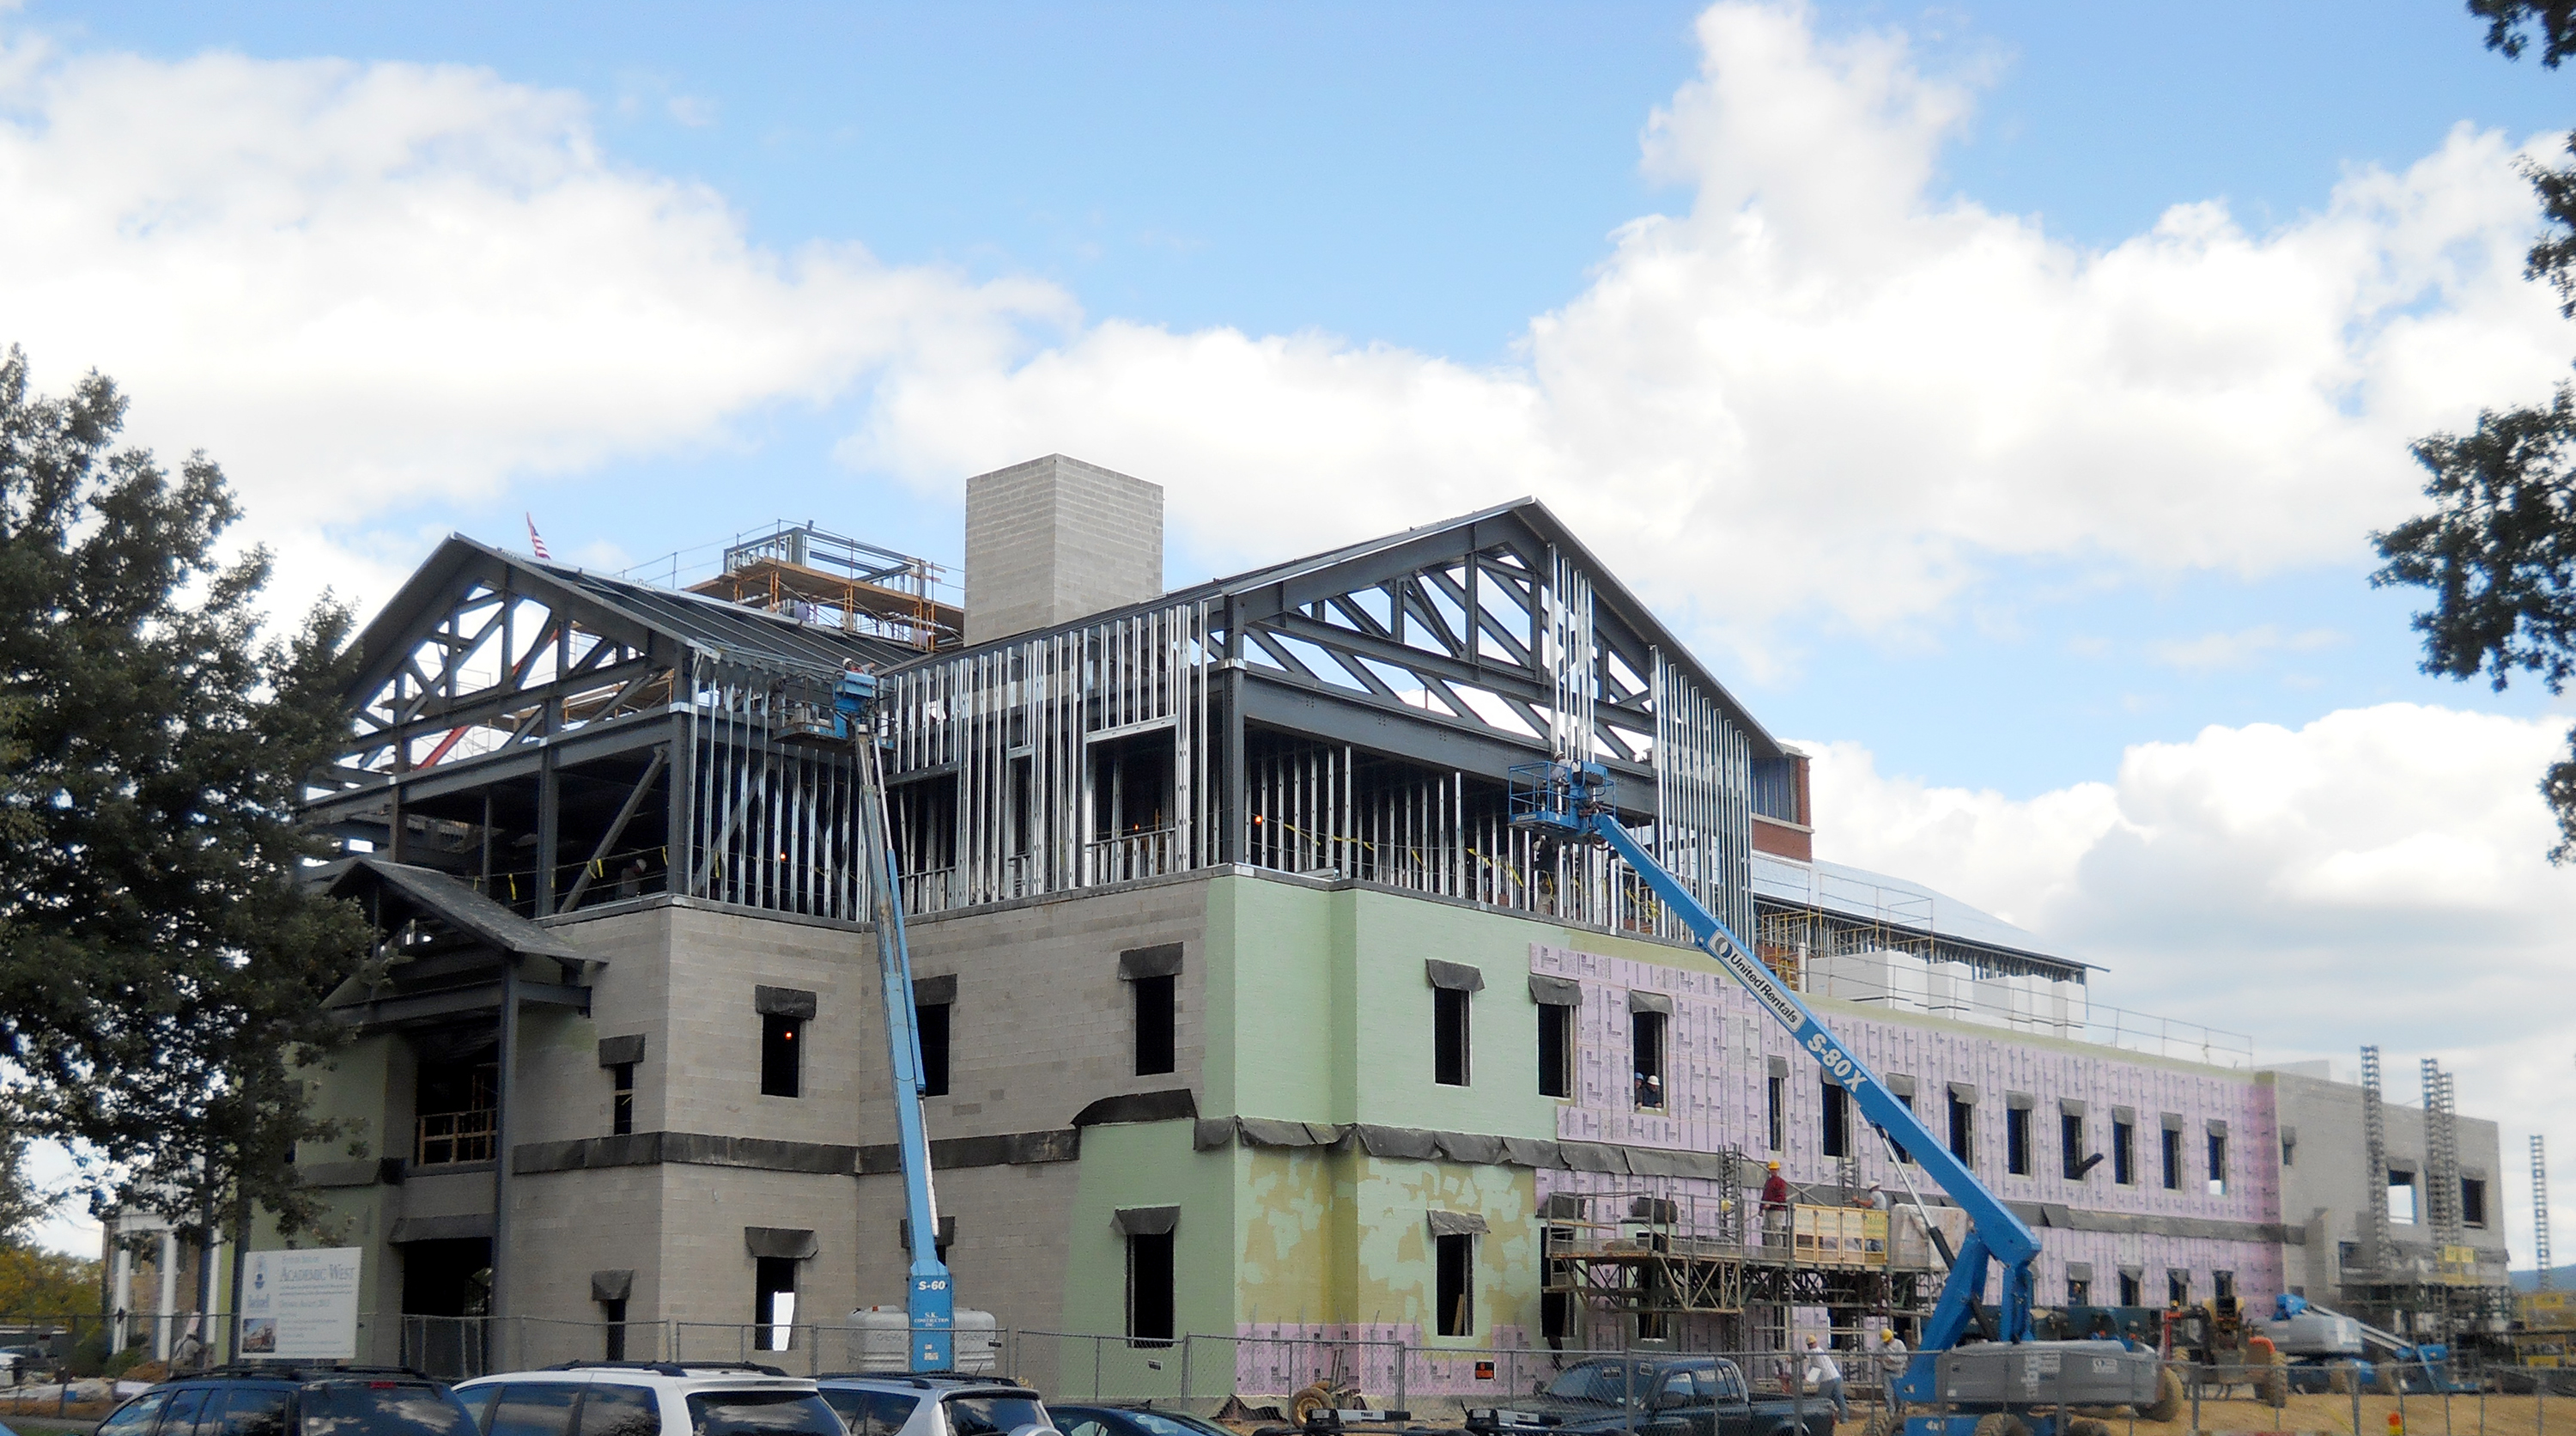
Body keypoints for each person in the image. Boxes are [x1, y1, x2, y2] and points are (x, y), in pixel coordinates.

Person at [1803, 1336, 1849, 1422]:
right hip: (1836, 1377)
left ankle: (1820, 1420)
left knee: (1820, 1401)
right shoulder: (1820, 1351)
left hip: (1827, 1379)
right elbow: (1817, 1367)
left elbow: (1805, 1357)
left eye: (1811, 1344)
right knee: (1839, 1399)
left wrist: (1792, 1358)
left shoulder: (1814, 1351)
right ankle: (1844, 1419)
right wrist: (1809, 1379)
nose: (1811, 1346)